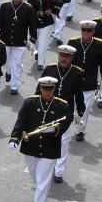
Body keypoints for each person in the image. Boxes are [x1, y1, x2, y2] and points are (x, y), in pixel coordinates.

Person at [8, 76, 72, 202]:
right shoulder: (30, 102)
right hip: (30, 147)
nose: (47, 92)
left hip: (49, 149)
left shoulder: (62, 105)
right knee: (36, 177)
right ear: (40, 88)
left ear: (54, 89)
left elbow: (66, 122)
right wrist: (14, 138)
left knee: (43, 179)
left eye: (50, 89)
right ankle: (41, 193)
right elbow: (21, 122)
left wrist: (55, 130)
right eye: (44, 89)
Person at [42, 46, 86, 182]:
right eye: (61, 55)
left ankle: (59, 172)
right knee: (46, 140)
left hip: (65, 114)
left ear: (72, 58)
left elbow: (79, 94)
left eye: (67, 56)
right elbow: (39, 90)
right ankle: (47, 167)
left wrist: (80, 111)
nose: (63, 58)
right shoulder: (50, 69)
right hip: (48, 111)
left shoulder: (77, 73)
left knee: (63, 142)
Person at [68, 21, 102, 142]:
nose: (86, 33)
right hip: (73, 82)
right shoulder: (73, 42)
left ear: (93, 32)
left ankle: (80, 130)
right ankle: (67, 128)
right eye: (84, 30)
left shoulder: (99, 44)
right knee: (70, 107)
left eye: (89, 31)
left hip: (89, 82)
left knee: (83, 109)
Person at [0, 0, 37, 94]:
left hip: (20, 42)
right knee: (5, 61)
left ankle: (15, 85)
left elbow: (32, 25)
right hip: (5, 40)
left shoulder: (28, 8)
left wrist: (32, 39)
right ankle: (8, 72)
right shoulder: (5, 6)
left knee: (17, 64)